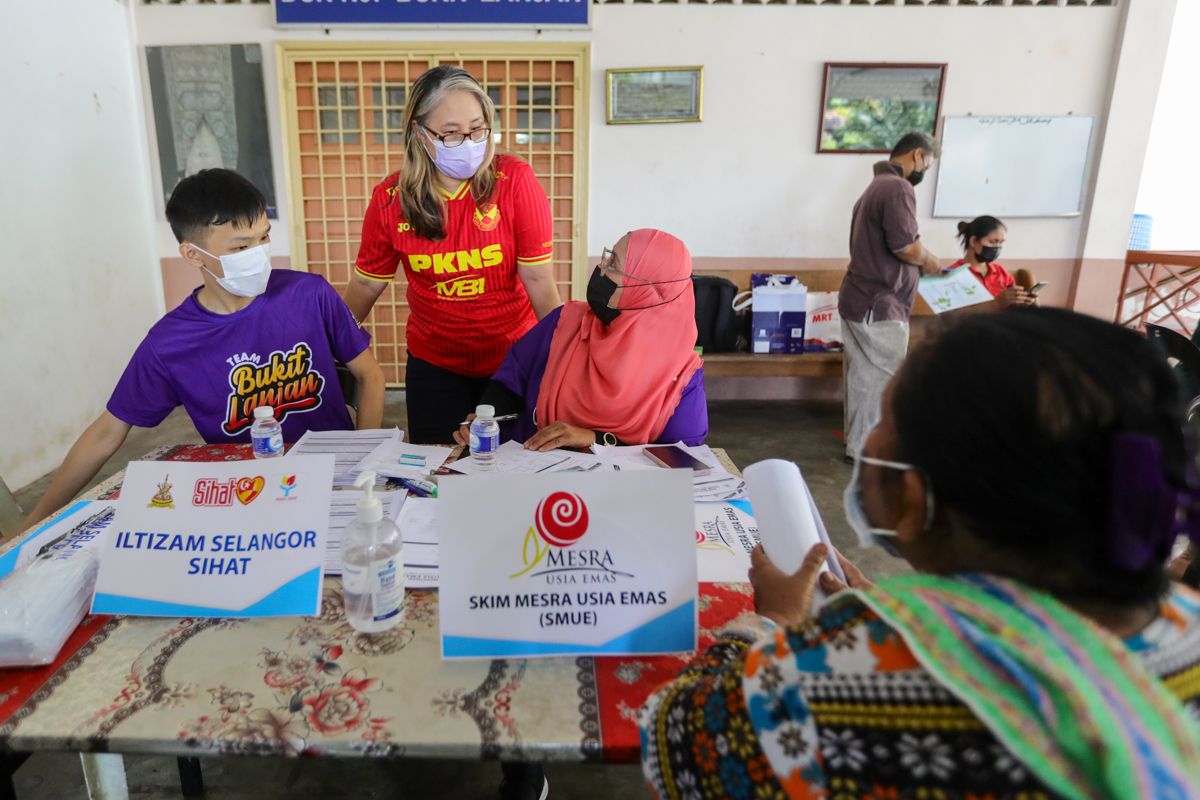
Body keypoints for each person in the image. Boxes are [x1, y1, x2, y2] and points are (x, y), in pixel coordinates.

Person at [641, 307, 1200, 798]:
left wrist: (773, 622)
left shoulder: (839, 678)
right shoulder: (1188, 624)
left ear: (914, 499)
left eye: (886, 421)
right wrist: (907, 617)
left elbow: (678, 749)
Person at [22, 169, 385, 530]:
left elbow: (369, 375)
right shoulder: (170, 343)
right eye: (242, 247)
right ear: (193, 255)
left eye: (264, 238)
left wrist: (362, 466)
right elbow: (107, 432)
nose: (259, 255)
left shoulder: (309, 294)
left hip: (332, 480)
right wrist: (37, 521)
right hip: (245, 495)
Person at [346, 65, 562, 444]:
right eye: (450, 133)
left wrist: (562, 355)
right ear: (419, 133)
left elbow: (539, 279)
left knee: (511, 466)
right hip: (435, 363)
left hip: (512, 359)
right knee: (438, 473)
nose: (468, 142)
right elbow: (366, 282)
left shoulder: (514, 181)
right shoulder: (391, 199)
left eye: (477, 130)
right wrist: (330, 347)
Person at [453, 229, 707, 451]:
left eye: (613, 264)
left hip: (616, 496)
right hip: (529, 474)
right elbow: (511, 380)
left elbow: (679, 460)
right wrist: (487, 419)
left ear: (646, 293)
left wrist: (596, 439)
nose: (600, 268)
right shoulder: (565, 322)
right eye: (607, 256)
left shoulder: (681, 374)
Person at [838, 131, 942, 461]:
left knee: (863, 378)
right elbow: (905, 247)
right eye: (928, 161)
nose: (926, 168)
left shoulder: (874, 187)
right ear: (917, 155)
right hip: (878, 303)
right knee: (881, 380)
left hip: (861, 297)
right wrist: (930, 260)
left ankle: (859, 445)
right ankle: (870, 451)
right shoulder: (897, 187)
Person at [948, 214, 1034, 307]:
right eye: (993, 242)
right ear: (973, 241)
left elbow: (1012, 306)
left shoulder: (1000, 272)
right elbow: (952, 315)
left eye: (1001, 242)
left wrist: (1022, 302)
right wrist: (996, 303)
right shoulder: (953, 275)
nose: (997, 247)